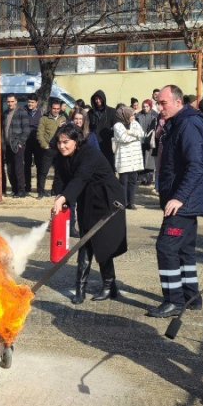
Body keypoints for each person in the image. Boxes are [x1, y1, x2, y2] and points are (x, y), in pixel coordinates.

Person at [147, 84, 203, 318]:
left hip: (183, 202)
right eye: (158, 103)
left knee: (166, 247)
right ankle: (191, 297)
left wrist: (179, 198)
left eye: (163, 103)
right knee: (184, 250)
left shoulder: (188, 124)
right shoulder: (177, 123)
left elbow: (196, 166)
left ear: (178, 102)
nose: (159, 107)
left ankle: (173, 300)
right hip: (183, 200)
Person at [52, 123, 128, 304]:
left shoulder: (89, 153)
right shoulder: (62, 157)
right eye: (59, 142)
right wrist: (61, 197)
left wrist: (64, 198)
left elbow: (81, 178)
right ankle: (80, 289)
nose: (62, 146)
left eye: (66, 142)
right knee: (86, 242)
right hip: (86, 198)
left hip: (108, 200)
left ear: (76, 141)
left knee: (103, 243)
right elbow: (63, 180)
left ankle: (109, 286)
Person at [111, 105, 145, 209]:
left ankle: (131, 202)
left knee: (133, 180)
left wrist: (130, 132)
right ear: (125, 115)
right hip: (124, 157)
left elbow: (142, 134)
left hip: (134, 157)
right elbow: (123, 138)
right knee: (123, 181)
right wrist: (136, 137)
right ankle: (124, 202)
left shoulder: (135, 124)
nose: (133, 117)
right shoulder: (118, 125)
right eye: (131, 115)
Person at [35, 99, 64, 197]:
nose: (56, 110)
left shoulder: (63, 118)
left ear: (60, 109)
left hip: (60, 149)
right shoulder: (44, 118)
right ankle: (40, 191)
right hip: (48, 149)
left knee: (58, 172)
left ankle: (54, 191)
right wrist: (45, 145)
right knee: (43, 171)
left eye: (58, 109)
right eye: (54, 108)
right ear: (50, 108)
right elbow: (40, 133)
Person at [2, 94, 26, 197]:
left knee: (18, 169)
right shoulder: (6, 112)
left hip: (17, 145)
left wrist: (20, 142)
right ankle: (14, 189)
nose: (10, 103)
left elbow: (26, 130)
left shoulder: (22, 112)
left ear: (16, 101)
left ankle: (21, 191)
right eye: (8, 102)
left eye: (12, 101)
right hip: (7, 145)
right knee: (10, 169)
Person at [87, 90, 115, 165]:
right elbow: (88, 127)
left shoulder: (111, 111)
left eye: (99, 98)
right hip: (95, 142)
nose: (98, 101)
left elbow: (115, 126)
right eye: (96, 99)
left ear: (103, 99)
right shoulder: (90, 113)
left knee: (108, 165)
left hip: (107, 142)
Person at [135, 99, 159, 187]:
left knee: (149, 159)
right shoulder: (138, 115)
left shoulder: (154, 116)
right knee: (141, 158)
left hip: (150, 141)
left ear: (150, 106)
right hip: (141, 140)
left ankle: (149, 178)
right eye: (143, 106)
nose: (145, 108)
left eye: (147, 106)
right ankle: (142, 178)